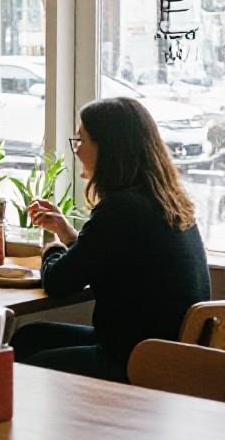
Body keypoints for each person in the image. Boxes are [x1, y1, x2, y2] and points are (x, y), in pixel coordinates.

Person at [13, 96, 210, 382]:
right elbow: (104, 255)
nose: (76, 149)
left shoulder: (120, 209)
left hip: (137, 361)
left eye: (80, 140)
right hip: (168, 355)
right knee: (29, 338)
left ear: (106, 146)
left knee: (28, 369)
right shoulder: (166, 202)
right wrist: (67, 233)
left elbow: (58, 282)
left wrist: (52, 247)